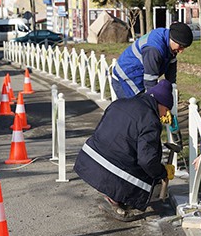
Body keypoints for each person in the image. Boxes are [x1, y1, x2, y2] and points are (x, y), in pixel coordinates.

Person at [74, 79, 175, 222]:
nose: (164, 115)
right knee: (146, 168)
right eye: (166, 110)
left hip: (89, 161)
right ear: (161, 104)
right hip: (108, 169)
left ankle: (111, 192)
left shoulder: (119, 103)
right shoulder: (150, 120)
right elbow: (147, 160)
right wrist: (162, 172)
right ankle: (114, 200)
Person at [112, 22, 193, 99]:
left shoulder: (169, 42)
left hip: (139, 77)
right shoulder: (154, 49)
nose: (181, 51)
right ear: (173, 39)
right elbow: (150, 80)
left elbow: (171, 66)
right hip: (125, 79)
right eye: (181, 46)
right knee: (135, 110)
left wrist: (171, 88)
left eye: (184, 47)